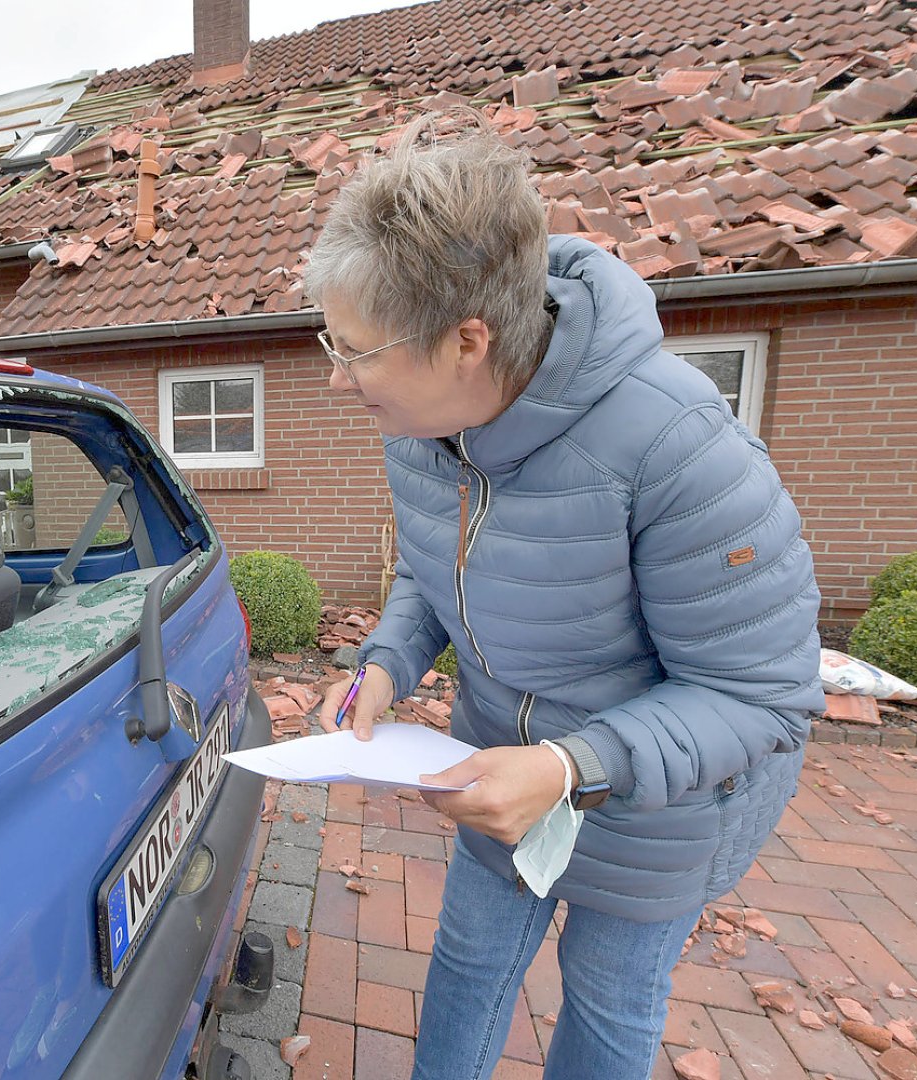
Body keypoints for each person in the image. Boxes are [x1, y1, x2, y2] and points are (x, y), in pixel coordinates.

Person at [305, 111, 824, 1080]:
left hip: (658, 805)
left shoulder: (679, 448)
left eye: (355, 351)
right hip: (505, 772)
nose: (336, 379)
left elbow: (760, 695)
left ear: (468, 339)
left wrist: (569, 766)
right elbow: (433, 562)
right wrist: (385, 665)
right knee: (465, 963)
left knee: (606, 1003)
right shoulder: (418, 423)